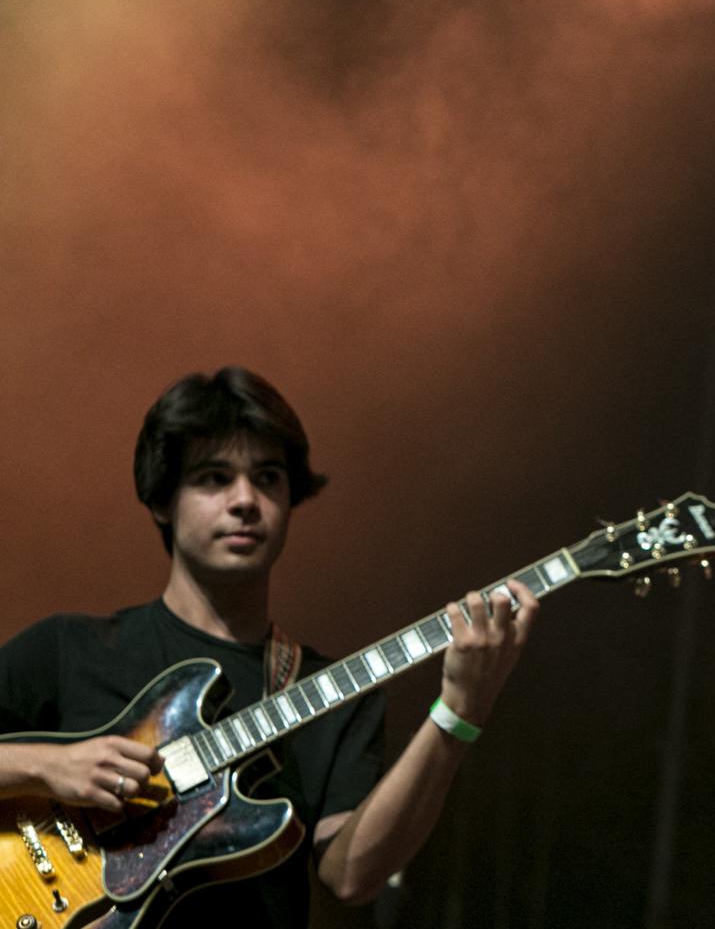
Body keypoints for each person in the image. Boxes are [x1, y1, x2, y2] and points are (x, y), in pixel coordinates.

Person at [0, 367, 538, 927]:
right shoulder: (69, 649)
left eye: (268, 478)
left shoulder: (336, 696)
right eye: (214, 478)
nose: (245, 501)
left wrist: (459, 713)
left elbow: (353, 877)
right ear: (162, 500)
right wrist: (46, 767)